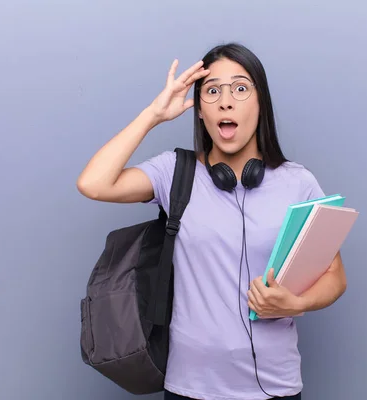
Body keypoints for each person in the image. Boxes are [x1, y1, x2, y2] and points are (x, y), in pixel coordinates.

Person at [76, 42, 347, 400]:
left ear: (260, 103)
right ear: (201, 111)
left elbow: (335, 276)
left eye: (240, 88)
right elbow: (93, 184)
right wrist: (154, 114)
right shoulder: (174, 173)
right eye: (212, 90)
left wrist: (296, 304)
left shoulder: (298, 182)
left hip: (275, 387)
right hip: (190, 387)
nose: (226, 100)